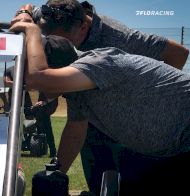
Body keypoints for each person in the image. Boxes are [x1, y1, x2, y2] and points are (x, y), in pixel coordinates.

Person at [12, 1, 189, 195]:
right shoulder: (77, 94)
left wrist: (31, 31)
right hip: (162, 149)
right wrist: (55, 175)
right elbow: (74, 132)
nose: (28, 88)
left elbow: (40, 79)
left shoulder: (99, 61)